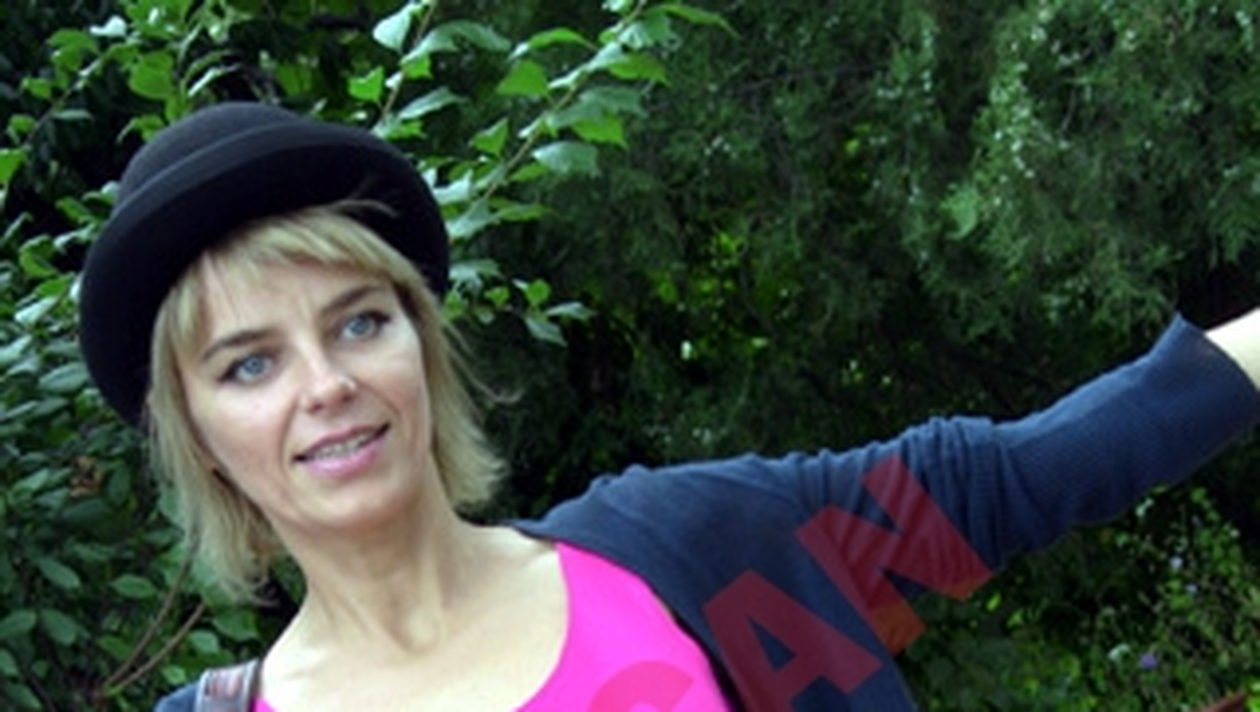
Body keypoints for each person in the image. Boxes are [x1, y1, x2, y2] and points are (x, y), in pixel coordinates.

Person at [77, 102, 1260, 712]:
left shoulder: (701, 557)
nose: (327, 383)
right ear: (201, 440)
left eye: (358, 322)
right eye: (249, 365)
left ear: (419, 349)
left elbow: (1021, 474)